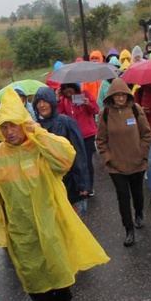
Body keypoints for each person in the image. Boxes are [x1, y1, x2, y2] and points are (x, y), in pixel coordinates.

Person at [0, 88, 110, 301]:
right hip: (22, 229)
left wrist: (37, 131)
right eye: (5, 126)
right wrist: (0, 231)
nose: (9, 131)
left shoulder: (40, 146)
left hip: (52, 220)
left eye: (14, 125)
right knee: (33, 275)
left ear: (24, 124)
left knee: (59, 268)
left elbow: (66, 156)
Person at [96, 78, 151, 247]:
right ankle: (128, 230)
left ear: (127, 95)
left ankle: (139, 213)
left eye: (123, 95)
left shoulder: (136, 110)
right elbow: (100, 140)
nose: (120, 98)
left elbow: (146, 134)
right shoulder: (104, 114)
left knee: (137, 193)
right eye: (116, 95)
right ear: (111, 96)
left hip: (137, 163)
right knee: (122, 197)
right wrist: (108, 158)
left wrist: (142, 154)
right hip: (116, 166)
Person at [32, 86, 91, 218]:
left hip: (71, 183)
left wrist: (83, 183)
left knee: (75, 226)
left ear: (52, 102)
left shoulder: (66, 122)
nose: (41, 105)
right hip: (49, 186)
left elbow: (79, 154)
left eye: (45, 101)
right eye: (38, 102)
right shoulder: (35, 127)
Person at [57, 82, 100, 196]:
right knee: (77, 161)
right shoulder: (64, 100)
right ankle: (81, 185)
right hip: (73, 136)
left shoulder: (84, 95)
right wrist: (57, 99)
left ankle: (89, 186)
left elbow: (96, 110)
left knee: (87, 160)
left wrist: (88, 103)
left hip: (87, 134)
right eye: (64, 89)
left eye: (69, 88)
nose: (67, 91)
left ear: (74, 87)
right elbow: (58, 115)